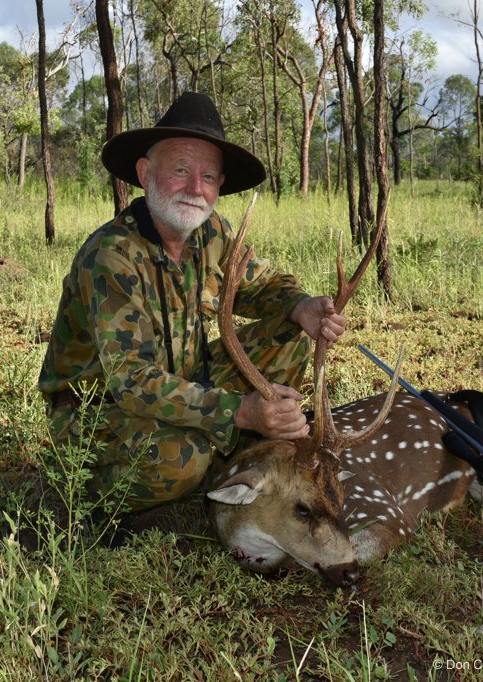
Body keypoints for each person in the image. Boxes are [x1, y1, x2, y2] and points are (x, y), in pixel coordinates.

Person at [38, 92, 346, 517]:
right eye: (180, 170)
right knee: (182, 461)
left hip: (187, 378)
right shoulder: (111, 255)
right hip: (97, 412)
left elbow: (263, 285)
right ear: (145, 174)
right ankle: (96, 491)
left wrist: (300, 305)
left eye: (207, 176)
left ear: (219, 186)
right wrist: (240, 411)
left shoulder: (211, 231)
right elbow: (131, 381)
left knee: (288, 333)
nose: (193, 188)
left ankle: (231, 449)